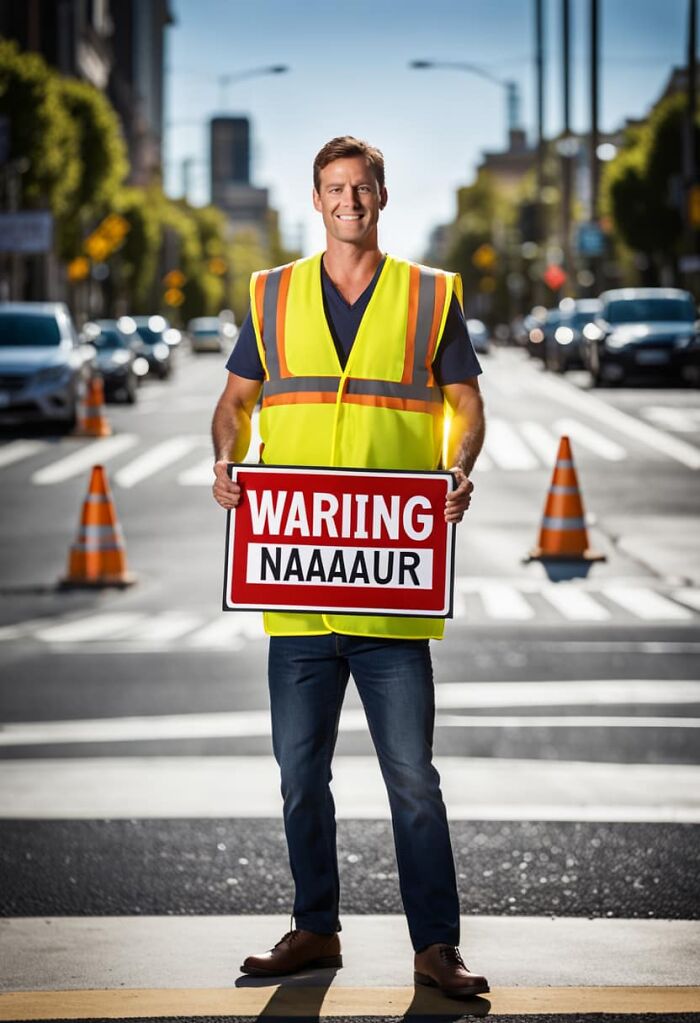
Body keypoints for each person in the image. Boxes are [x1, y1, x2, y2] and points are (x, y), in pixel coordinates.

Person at [211, 136, 487, 1000]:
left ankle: (435, 946)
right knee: (300, 777)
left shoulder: (429, 296)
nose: (349, 202)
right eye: (335, 188)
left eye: (361, 188)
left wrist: (458, 467)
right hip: (298, 592)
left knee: (413, 782)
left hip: (390, 594)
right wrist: (225, 459)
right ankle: (314, 927)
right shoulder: (272, 292)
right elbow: (234, 402)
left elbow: (467, 403)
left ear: (382, 196)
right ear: (317, 198)